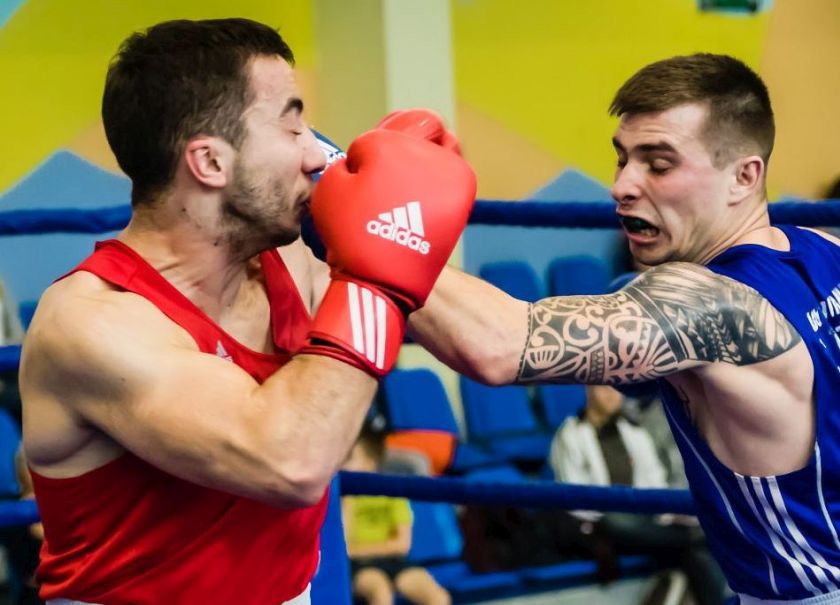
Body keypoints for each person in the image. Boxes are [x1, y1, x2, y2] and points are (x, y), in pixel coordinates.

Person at [19, 18, 475, 605]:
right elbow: (290, 460)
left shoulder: (290, 260)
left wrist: (401, 235)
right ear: (209, 163)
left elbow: (498, 345)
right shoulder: (91, 322)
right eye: (293, 126)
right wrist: (380, 266)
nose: (318, 152)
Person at [400, 53, 840, 602]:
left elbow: (500, 346)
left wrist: (377, 227)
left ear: (743, 176)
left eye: (659, 164)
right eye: (622, 159)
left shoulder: (710, 306)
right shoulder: (822, 248)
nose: (622, 185)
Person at [550, 385, 725, 605]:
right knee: (615, 521)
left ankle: (694, 539)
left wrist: (663, 515)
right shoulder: (570, 435)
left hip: (645, 524)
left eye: (616, 390)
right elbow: (574, 497)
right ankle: (697, 536)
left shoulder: (634, 431)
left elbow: (655, 482)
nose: (612, 396)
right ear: (589, 391)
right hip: (602, 524)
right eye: (605, 389)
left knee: (695, 554)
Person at [342, 423, 451, 605]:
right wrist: (347, 501)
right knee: (380, 592)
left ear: (371, 462)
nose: (342, 465)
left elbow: (401, 545)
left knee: (438, 598)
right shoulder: (340, 500)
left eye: (349, 458)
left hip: (396, 563)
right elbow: (342, 545)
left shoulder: (392, 493)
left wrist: (357, 550)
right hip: (358, 567)